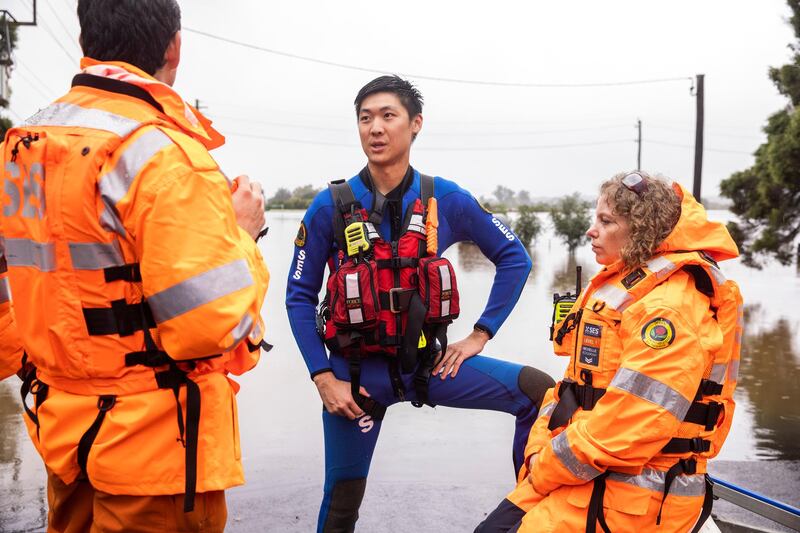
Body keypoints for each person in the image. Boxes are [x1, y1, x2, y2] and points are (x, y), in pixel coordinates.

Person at [0, 0, 270, 530]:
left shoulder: (22, 147)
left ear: (87, 40)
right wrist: (241, 235)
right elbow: (214, 324)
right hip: (155, 453)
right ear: (174, 47)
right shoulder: (163, 153)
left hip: (61, 436)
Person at [286, 75, 555, 532]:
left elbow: (515, 258)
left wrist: (480, 334)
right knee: (341, 504)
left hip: (431, 368)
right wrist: (323, 377)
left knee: (539, 391)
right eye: (365, 118)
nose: (375, 128)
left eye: (388, 116)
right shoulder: (328, 206)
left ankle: (526, 522)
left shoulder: (444, 198)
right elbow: (298, 296)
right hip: (357, 379)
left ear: (415, 125)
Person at [476, 172, 742, 533]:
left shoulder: (668, 310)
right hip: (583, 476)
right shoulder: (630, 286)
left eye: (606, 221)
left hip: (629, 500)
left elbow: (627, 429)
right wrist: (538, 452)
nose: (592, 230)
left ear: (641, 231)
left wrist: (545, 466)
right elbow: (571, 387)